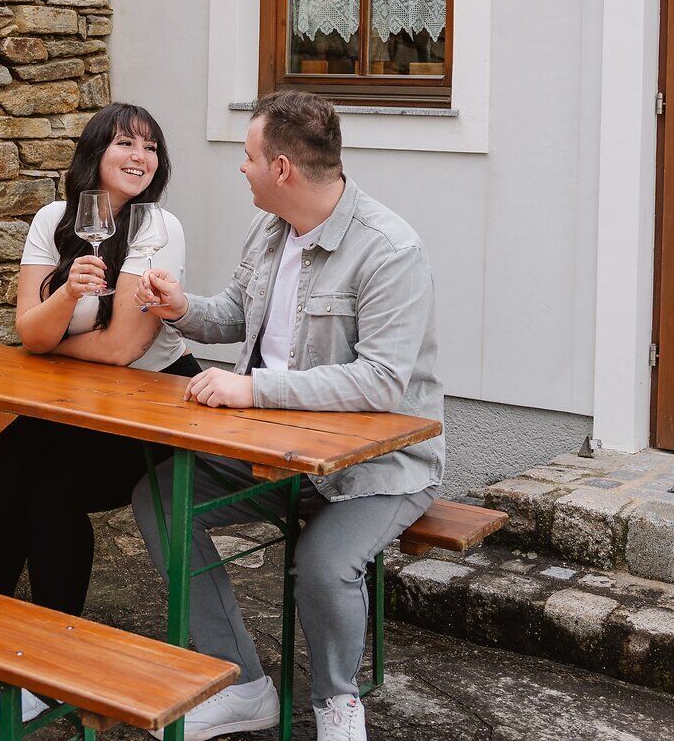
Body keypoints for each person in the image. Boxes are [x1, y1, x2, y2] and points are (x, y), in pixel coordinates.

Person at [132, 90, 444, 741]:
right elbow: (238, 317)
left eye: (248, 158)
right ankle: (243, 685)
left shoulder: (390, 249)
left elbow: (382, 382)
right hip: (277, 453)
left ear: (281, 170)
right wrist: (179, 306)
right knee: (161, 497)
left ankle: (337, 711)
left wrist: (257, 391)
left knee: (324, 564)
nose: (239, 168)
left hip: (379, 466)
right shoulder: (271, 230)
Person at [0, 102, 203, 722]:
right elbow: (29, 332)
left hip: (152, 397)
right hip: (74, 393)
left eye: (151, 148)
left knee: (54, 489)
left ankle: (51, 667)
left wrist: (53, 336)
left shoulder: (158, 229)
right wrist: (66, 295)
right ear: (94, 154)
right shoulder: (55, 220)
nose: (141, 158)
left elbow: (122, 349)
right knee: (2, 466)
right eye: (126, 145)